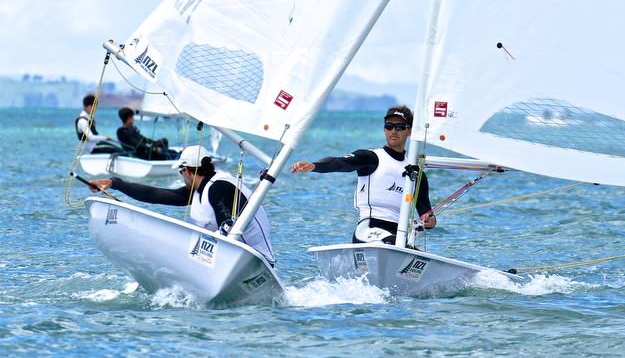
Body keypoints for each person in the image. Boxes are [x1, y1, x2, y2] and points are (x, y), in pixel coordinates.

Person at [87, 145, 276, 265]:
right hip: (233, 262)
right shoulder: (201, 187)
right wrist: (115, 183)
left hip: (254, 262)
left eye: (181, 173)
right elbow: (156, 194)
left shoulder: (219, 187)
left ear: (186, 170)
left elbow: (228, 228)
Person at [291, 104, 436, 245]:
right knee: (393, 243)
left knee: (413, 252)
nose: (393, 131)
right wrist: (314, 166)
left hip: (400, 235)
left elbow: (428, 216)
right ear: (384, 129)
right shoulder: (371, 158)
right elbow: (339, 163)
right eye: (389, 126)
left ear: (409, 131)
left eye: (399, 127)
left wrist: (429, 221)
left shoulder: (416, 174)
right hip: (368, 229)